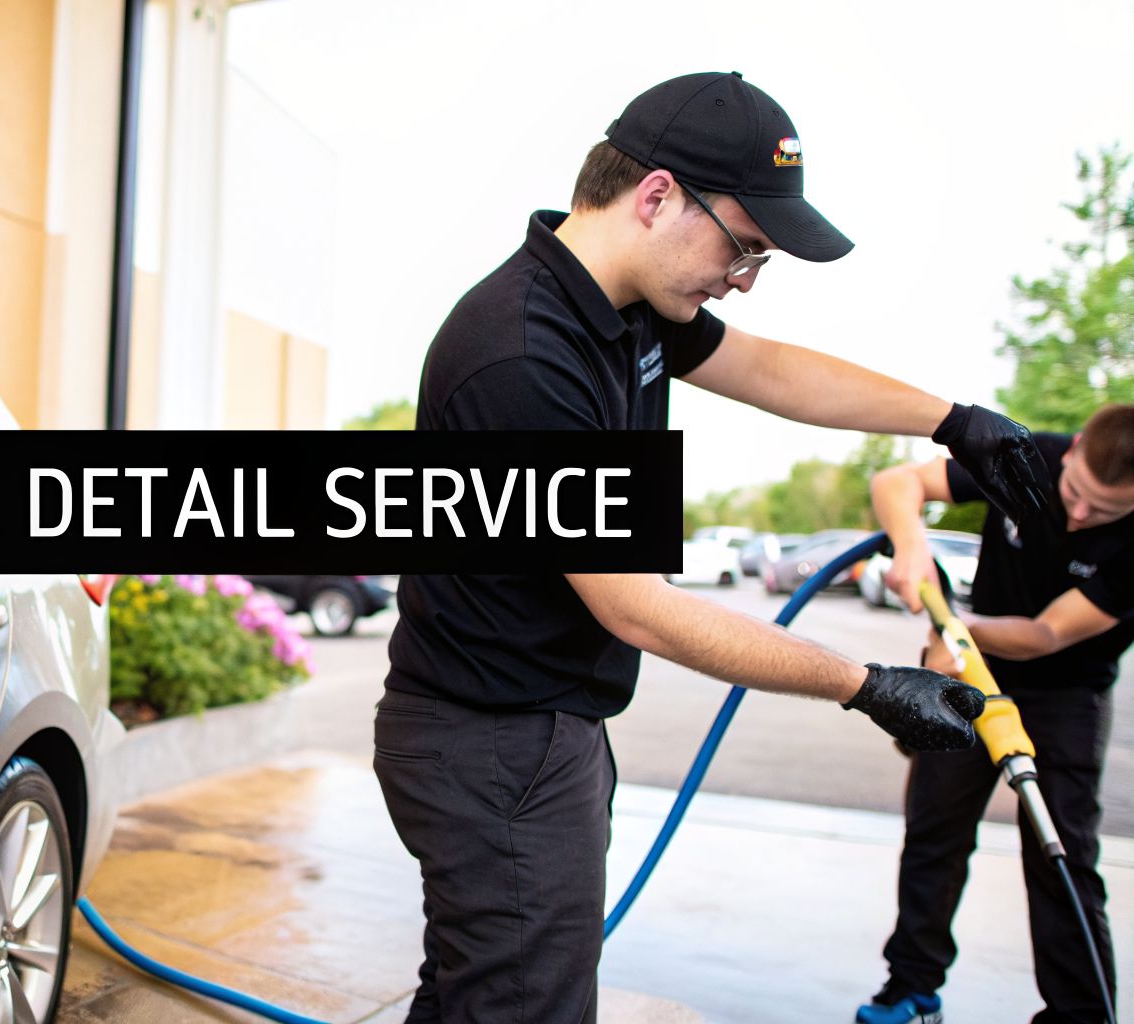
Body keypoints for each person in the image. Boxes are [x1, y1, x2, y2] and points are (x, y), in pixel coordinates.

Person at [374, 70, 1050, 1024]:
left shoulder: (628, 305)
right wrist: (865, 683)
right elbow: (635, 604)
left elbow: (772, 370)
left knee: (477, 997)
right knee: (524, 1006)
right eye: (745, 250)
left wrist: (953, 420)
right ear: (657, 196)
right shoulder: (522, 356)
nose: (743, 280)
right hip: (495, 741)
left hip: (535, 728)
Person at [856, 404, 1132, 1024]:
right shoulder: (1026, 454)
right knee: (934, 831)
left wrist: (954, 626)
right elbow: (897, 482)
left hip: (1067, 694)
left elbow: (1045, 634)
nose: (1081, 514)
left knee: (1060, 848)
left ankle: (1080, 1013)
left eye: (1107, 510)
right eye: (1077, 492)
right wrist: (912, 547)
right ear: (1077, 447)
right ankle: (910, 990)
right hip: (974, 674)